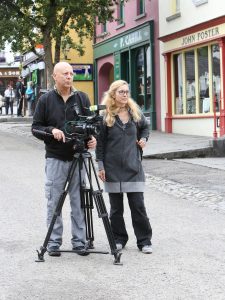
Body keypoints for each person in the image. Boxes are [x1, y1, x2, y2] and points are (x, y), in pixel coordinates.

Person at [32, 61, 96, 256]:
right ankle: (53, 242)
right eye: (65, 74)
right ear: (55, 77)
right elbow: (35, 128)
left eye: (71, 74)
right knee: (54, 201)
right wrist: (52, 131)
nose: (69, 77)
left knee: (78, 201)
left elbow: (91, 125)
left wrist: (92, 138)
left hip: (78, 156)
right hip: (56, 158)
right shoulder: (45, 100)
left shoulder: (82, 98)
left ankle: (79, 242)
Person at [96, 79, 152, 254]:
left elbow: (145, 127)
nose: (125, 95)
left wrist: (143, 140)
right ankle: (119, 238)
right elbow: (100, 144)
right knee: (116, 209)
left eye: (127, 92)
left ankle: (144, 241)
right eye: (121, 92)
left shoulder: (135, 112)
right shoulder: (106, 116)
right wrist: (100, 166)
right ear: (113, 94)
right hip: (112, 168)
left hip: (133, 167)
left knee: (138, 207)